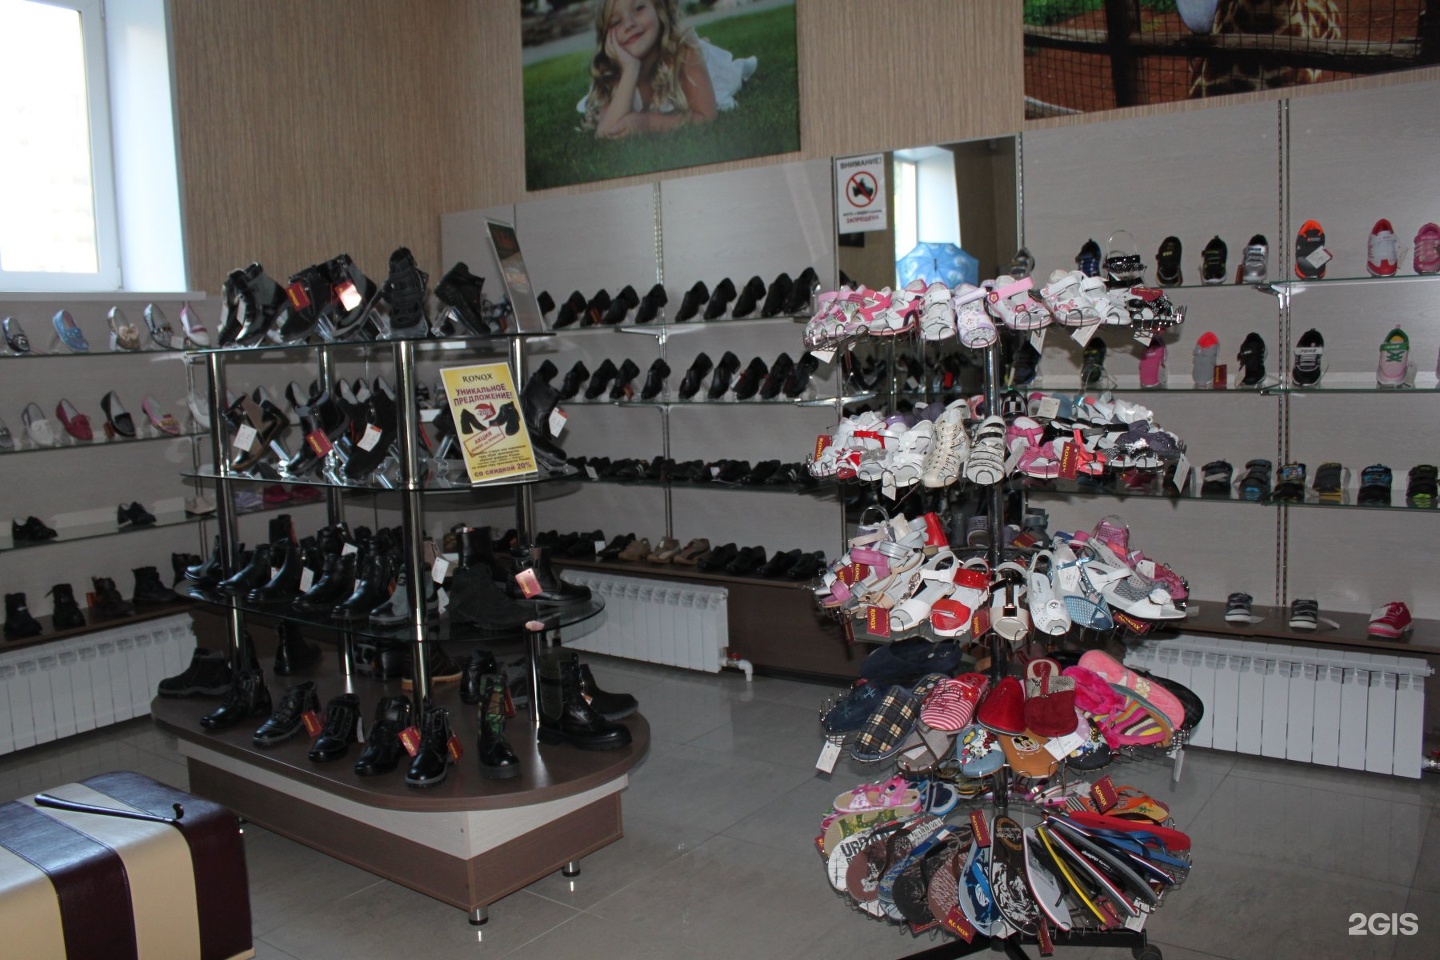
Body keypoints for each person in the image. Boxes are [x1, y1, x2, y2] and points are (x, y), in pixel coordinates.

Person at [577, 0, 757, 139]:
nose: (629, 24)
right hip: (634, 65)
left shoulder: (685, 52)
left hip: (691, 62)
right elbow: (605, 133)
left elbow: (707, 116)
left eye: (639, 8)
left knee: (711, 60)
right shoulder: (613, 69)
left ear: (658, 8)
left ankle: (704, 45)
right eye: (616, 21)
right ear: (607, 37)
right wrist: (630, 69)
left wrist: (645, 123)